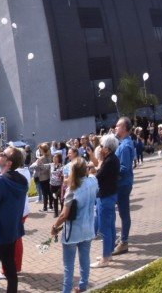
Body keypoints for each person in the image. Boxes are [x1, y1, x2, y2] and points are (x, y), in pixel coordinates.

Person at [0, 147, 28, 293]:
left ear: (8, 162)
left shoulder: (1, 181)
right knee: (10, 268)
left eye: (2, 154)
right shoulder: (22, 180)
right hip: (12, 231)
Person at [51, 157, 98, 293]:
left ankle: (66, 291)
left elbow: (64, 215)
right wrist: (89, 165)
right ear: (85, 170)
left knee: (69, 266)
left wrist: (54, 227)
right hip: (88, 228)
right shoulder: (93, 181)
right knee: (85, 259)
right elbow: (94, 169)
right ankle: (83, 286)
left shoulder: (72, 189)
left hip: (73, 231)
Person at [93, 134, 119, 268]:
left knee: (105, 229)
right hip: (110, 195)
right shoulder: (112, 159)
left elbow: (98, 177)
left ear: (107, 149)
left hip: (106, 196)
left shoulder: (109, 161)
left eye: (102, 146)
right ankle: (108, 253)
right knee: (110, 226)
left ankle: (105, 258)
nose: (100, 148)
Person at [112, 117, 135, 256]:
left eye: (118, 125)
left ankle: (124, 242)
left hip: (123, 184)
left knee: (124, 213)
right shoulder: (123, 143)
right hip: (121, 183)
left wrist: (111, 171)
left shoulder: (125, 146)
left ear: (125, 128)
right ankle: (123, 239)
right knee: (122, 212)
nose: (115, 127)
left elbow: (125, 167)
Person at [30, 143, 53, 212]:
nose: (39, 150)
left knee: (44, 193)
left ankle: (45, 208)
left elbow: (33, 167)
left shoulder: (40, 159)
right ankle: (51, 206)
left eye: (40, 149)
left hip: (42, 177)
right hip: (49, 176)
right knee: (49, 192)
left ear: (42, 149)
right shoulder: (50, 156)